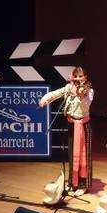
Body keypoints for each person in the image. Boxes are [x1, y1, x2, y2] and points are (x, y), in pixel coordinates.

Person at [39, 66, 94, 196]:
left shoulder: (89, 91)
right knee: (72, 155)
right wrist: (45, 99)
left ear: (86, 77)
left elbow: (86, 105)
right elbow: (56, 93)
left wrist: (81, 95)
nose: (78, 78)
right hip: (71, 124)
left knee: (83, 156)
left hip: (83, 126)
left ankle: (83, 184)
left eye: (81, 76)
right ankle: (72, 182)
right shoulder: (69, 88)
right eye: (76, 76)